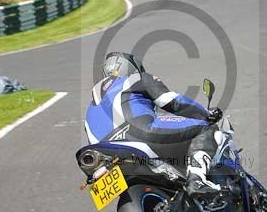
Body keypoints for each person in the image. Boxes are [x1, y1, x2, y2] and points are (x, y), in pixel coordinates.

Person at [85, 52, 223, 196]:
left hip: (99, 157)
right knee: (205, 128)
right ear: (132, 68)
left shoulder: (91, 108)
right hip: (138, 132)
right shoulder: (136, 79)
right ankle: (197, 179)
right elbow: (171, 101)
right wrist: (206, 114)